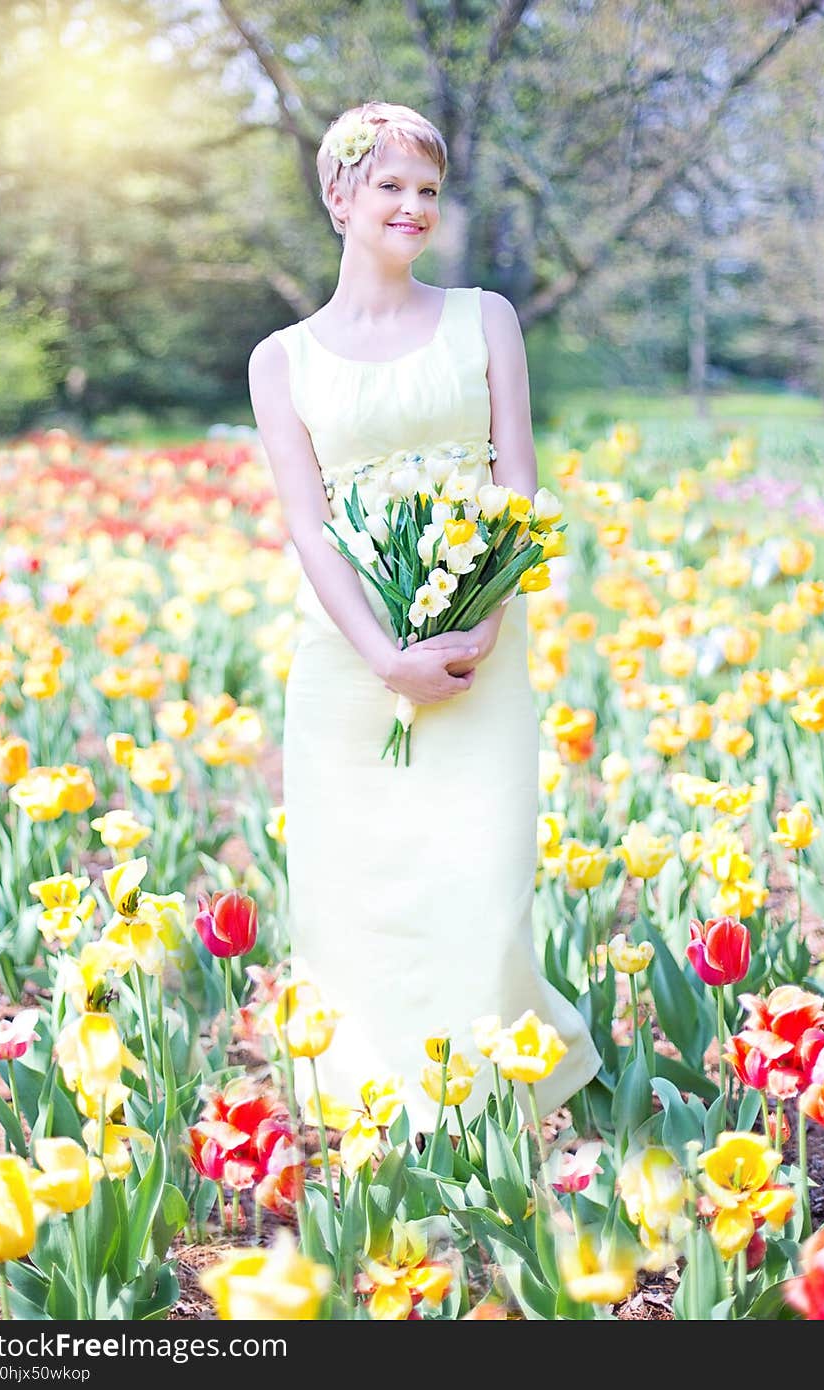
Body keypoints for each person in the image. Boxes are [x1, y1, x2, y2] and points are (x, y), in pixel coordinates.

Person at [247, 101, 600, 1134]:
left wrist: (480, 624)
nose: (411, 206)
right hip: (350, 658)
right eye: (390, 184)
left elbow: (520, 484)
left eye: (427, 190)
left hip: (479, 645)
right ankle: (379, 1115)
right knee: (360, 892)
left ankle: (484, 1104)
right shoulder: (283, 359)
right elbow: (310, 529)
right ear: (339, 195)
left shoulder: (483, 317)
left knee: (481, 876)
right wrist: (382, 656)